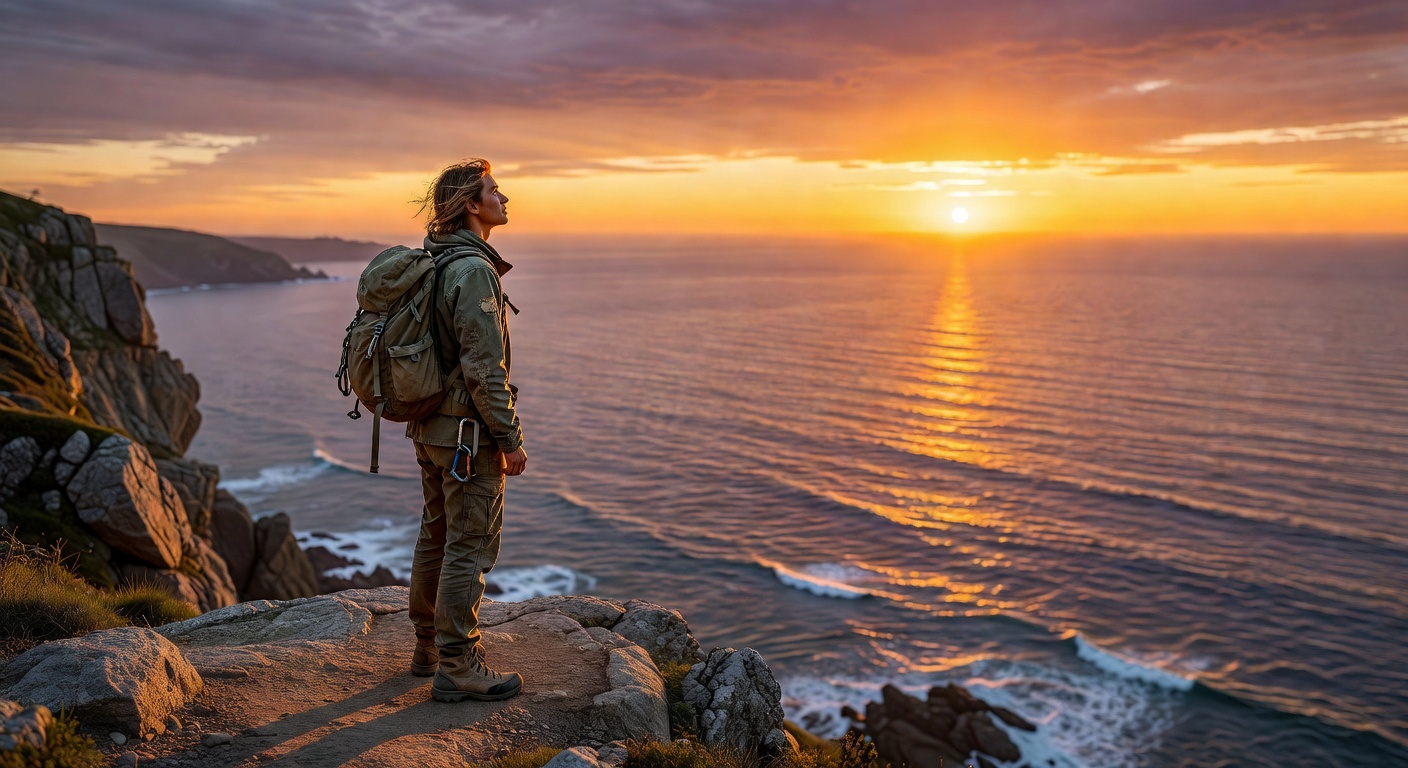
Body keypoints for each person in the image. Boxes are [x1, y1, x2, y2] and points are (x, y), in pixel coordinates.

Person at [406, 159, 528, 702]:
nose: (505, 198)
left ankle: (427, 647)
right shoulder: (472, 269)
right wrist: (510, 438)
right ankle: (458, 664)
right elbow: (484, 369)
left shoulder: (434, 261)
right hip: (466, 437)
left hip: (429, 428)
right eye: (494, 191)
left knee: (435, 536)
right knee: (469, 544)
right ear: (471, 206)